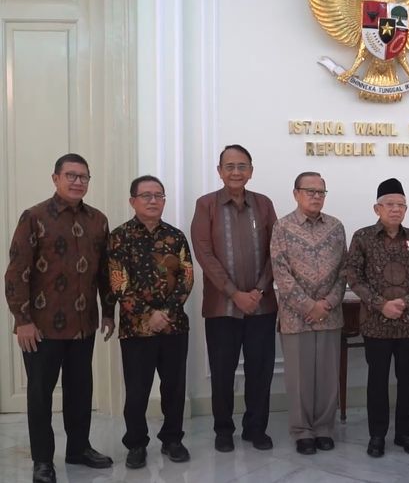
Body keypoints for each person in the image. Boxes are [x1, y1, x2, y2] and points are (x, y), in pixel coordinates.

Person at [4, 153, 115, 483]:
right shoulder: (34, 217)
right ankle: (42, 461)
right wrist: (22, 319)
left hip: (84, 325)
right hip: (41, 327)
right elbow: (16, 272)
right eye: (71, 175)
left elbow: (105, 274)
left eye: (84, 176)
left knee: (81, 390)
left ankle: (79, 449)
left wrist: (108, 311)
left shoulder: (98, 220)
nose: (78, 181)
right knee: (40, 395)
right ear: (56, 178)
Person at [191, 144, 278, 452]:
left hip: (262, 305)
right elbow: (204, 253)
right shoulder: (206, 206)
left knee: (260, 370)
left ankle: (256, 428)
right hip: (221, 307)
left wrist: (257, 291)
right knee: (223, 371)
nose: (236, 172)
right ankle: (223, 429)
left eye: (242, 166)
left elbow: (275, 251)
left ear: (251, 171)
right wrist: (234, 293)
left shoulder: (264, 205)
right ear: (219, 171)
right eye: (230, 166)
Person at [108, 175, 194, 468]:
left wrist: (165, 314)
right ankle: (135, 444)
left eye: (158, 195)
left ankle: (172, 440)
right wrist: (148, 315)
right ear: (132, 201)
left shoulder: (176, 236)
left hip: (174, 326)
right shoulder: (119, 237)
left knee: (174, 387)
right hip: (136, 329)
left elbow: (186, 278)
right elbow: (119, 283)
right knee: (137, 390)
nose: (153, 200)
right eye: (146, 195)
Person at [347, 178, 409, 458]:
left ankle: (405, 434)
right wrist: (380, 304)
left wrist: (406, 302)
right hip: (376, 324)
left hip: (408, 324)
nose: (396, 210)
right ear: (377, 208)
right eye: (390, 204)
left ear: (406, 209)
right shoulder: (362, 238)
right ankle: (377, 435)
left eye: (401, 205)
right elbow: (354, 278)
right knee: (377, 381)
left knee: (407, 381)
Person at [270, 172, 347, 455]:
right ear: (296, 193)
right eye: (309, 191)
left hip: (330, 313)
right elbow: (280, 272)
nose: (316, 196)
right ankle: (302, 431)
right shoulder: (282, 227)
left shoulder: (336, 227)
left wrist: (327, 303)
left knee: (328, 376)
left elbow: (344, 271)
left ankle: (325, 428)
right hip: (295, 315)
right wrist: (307, 306)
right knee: (299, 377)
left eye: (321, 192)